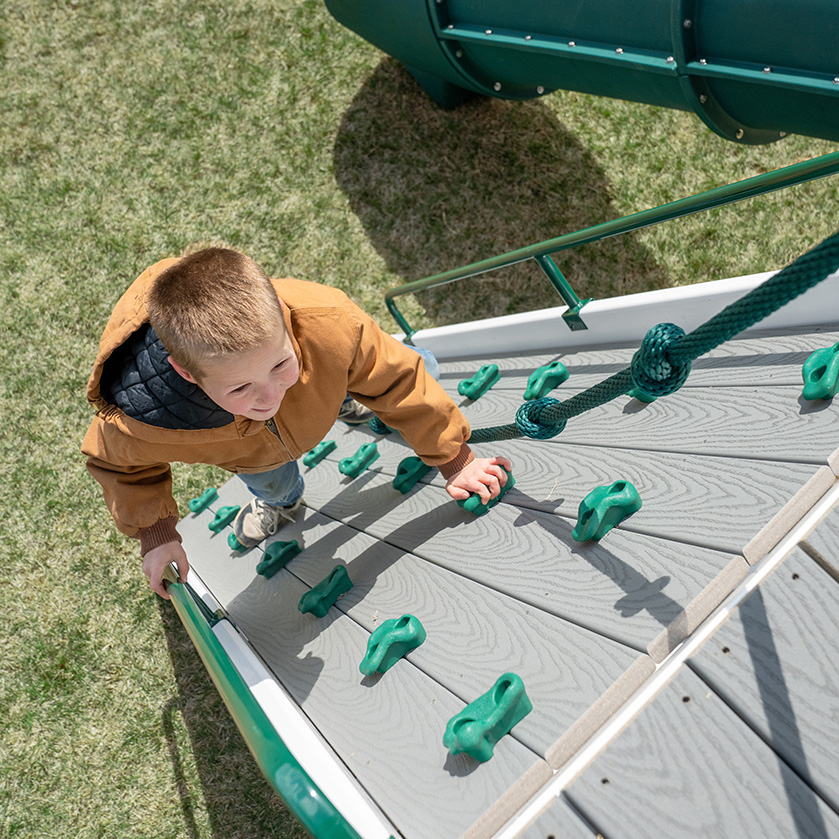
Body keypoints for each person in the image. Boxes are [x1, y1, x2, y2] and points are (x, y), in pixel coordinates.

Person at [82, 247, 511, 599]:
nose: (269, 397)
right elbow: (121, 468)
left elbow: (398, 379)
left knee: (380, 372)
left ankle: (346, 397)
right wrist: (156, 535)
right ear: (187, 374)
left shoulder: (327, 322)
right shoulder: (145, 418)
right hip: (254, 457)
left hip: (323, 387)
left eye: (280, 363)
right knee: (273, 484)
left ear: (285, 323)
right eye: (240, 388)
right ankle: (283, 503)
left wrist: (455, 459)